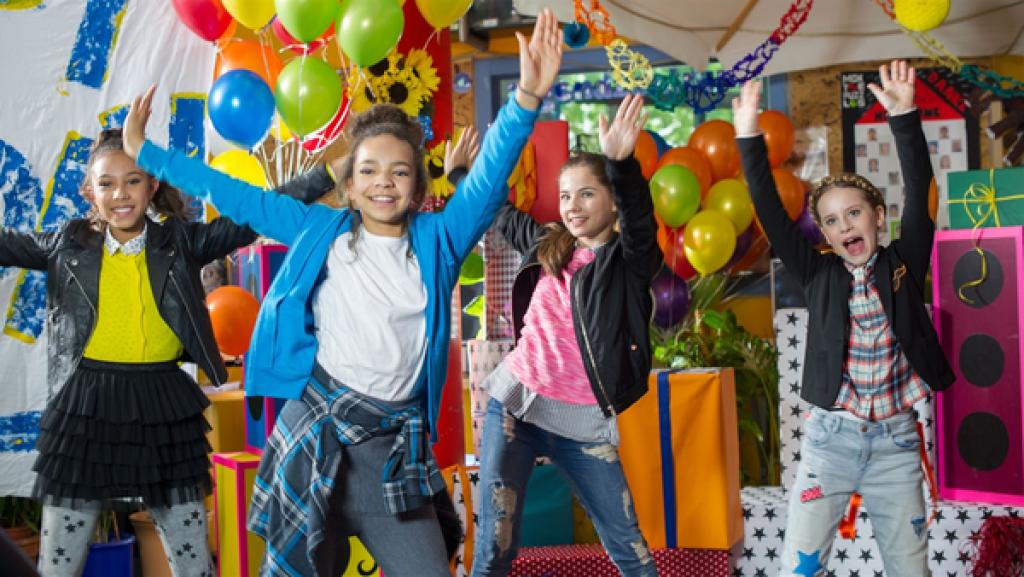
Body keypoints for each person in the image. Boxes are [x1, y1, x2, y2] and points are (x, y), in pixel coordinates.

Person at [121, 9, 563, 576]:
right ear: (349, 186)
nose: (384, 182)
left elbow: (485, 180)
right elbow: (233, 194)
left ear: (417, 187)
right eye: (370, 171)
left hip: (393, 455)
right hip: (316, 433)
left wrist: (526, 98)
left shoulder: (440, 241)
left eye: (399, 172)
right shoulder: (318, 229)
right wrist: (147, 154)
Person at [0, 128, 309, 577]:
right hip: (86, 405)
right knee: (58, 563)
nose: (120, 194)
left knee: (192, 559)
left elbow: (258, 213)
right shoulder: (67, 241)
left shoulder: (180, 240)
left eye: (132, 180)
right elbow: (6, 243)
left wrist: (328, 176)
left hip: (163, 403)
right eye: (107, 183)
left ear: (152, 185)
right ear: (89, 191)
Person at [733, 60, 954, 576]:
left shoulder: (904, 263)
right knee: (800, 568)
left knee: (910, 570)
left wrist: (904, 116)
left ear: (878, 217)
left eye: (854, 213)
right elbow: (770, 212)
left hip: (897, 445)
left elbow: (920, 192)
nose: (844, 226)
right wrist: (748, 137)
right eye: (831, 221)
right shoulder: (818, 274)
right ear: (826, 237)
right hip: (830, 442)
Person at [470, 93, 662, 577]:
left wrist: (621, 163)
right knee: (494, 545)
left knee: (629, 548)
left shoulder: (628, 263)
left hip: (581, 422)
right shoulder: (549, 244)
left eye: (587, 194)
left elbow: (640, 223)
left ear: (612, 201)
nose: (573, 206)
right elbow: (500, 213)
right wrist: (460, 175)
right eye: (566, 196)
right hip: (514, 404)